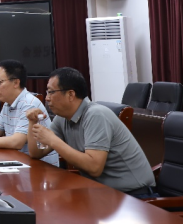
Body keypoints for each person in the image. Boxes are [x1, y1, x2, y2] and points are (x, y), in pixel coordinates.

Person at [26, 67, 156, 197]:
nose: (47, 98)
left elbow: (94, 168)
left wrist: (53, 140)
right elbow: (36, 153)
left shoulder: (95, 115)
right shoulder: (62, 118)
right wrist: (32, 122)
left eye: (51, 92)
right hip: (100, 192)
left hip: (133, 195)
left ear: (70, 94)